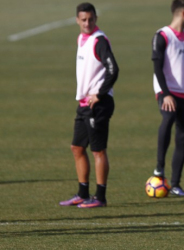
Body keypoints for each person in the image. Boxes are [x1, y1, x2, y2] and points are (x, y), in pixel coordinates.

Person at [59, 2, 119, 208]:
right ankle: (82, 193)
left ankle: (100, 197)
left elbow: (113, 69)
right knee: (77, 147)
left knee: (98, 151)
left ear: (96, 19)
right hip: (84, 103)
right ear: (77, 20)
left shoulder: (99, 41)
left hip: (98, 104)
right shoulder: (81, 38)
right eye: (83, 20)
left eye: (90, 19)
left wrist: (99, 94)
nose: (87, 23)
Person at [151, 0, 184, 196]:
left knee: (183, 138)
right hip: (168, 92)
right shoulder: (162, 36)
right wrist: (165, 94)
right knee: (167, 120)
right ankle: (159, 169)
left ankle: (175, 184)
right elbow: (157, 67)